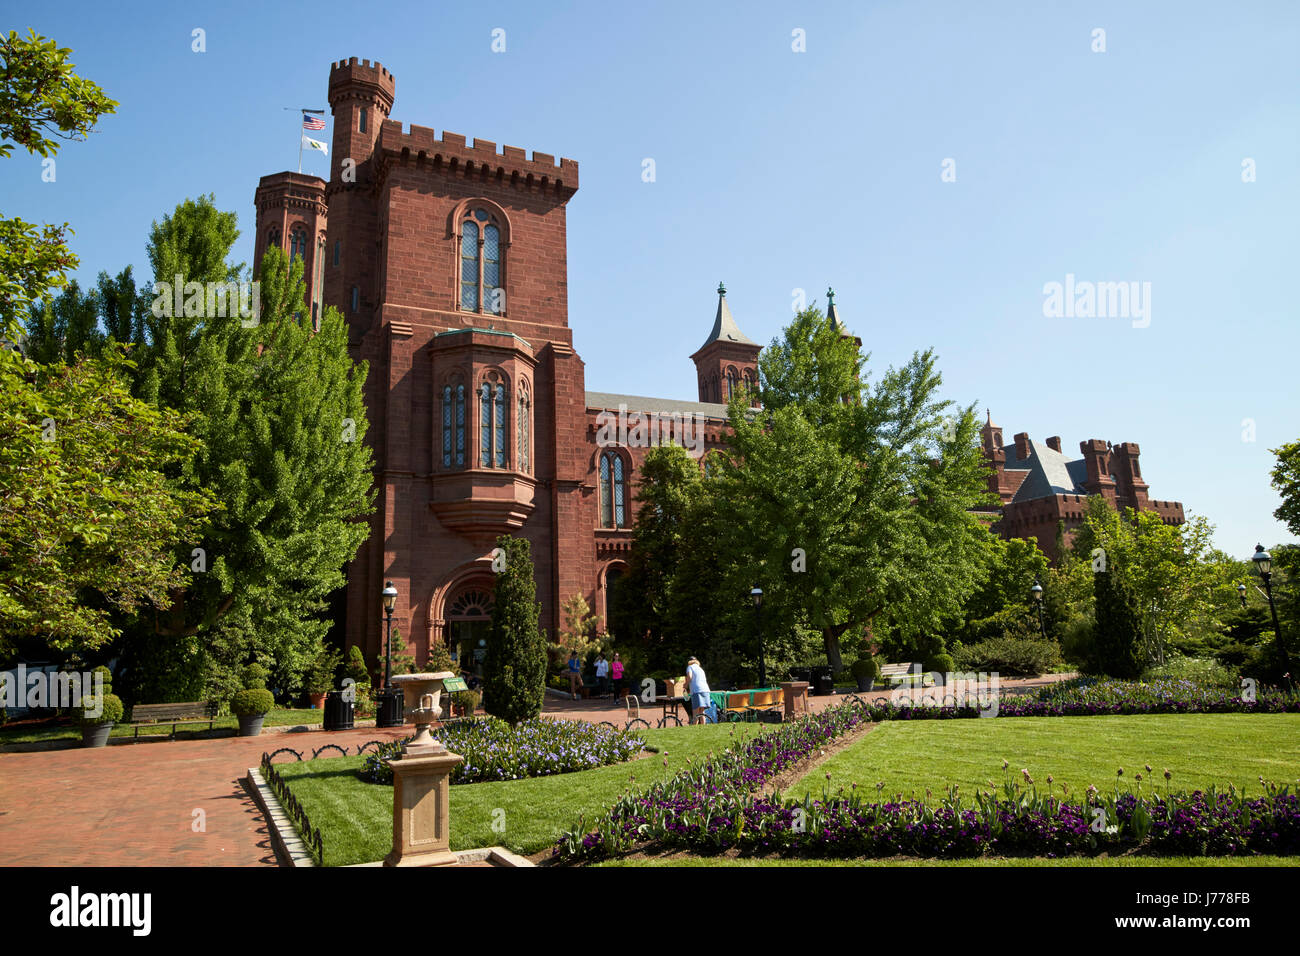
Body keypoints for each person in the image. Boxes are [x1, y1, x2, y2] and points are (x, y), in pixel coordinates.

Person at [685, 656, 714, 725]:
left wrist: (685, 685)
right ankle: (703, 727)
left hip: (697, 691)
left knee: (695, 711)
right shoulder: (700, 669)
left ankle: (694, 728)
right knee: (702, 711)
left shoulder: (690, 667)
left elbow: (690, 677)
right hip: (705, 690)